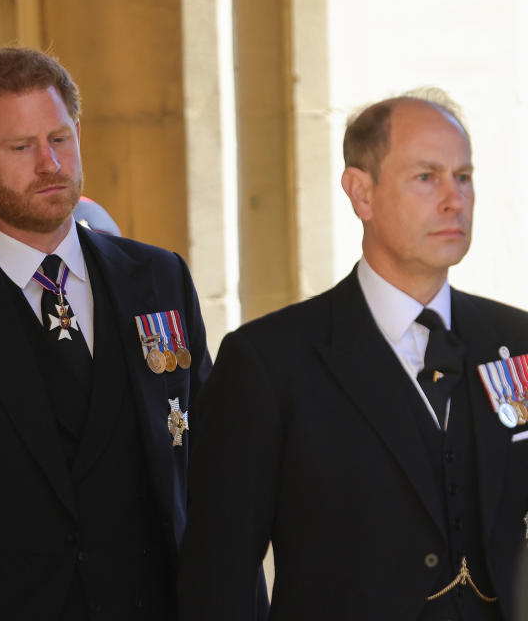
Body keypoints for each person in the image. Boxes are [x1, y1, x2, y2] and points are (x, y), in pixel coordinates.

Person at [0, 47, 212, 620]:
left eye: (60, 138)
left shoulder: (160, 277)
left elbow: (210, 474)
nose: (50, 164)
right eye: (22, 147)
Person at [179, 92, 528, 620]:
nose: (455, 199)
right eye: (427, 177)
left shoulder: (516, 339)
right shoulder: (267, 362)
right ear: (361, 193)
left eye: (463, 176)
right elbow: (216, 578)